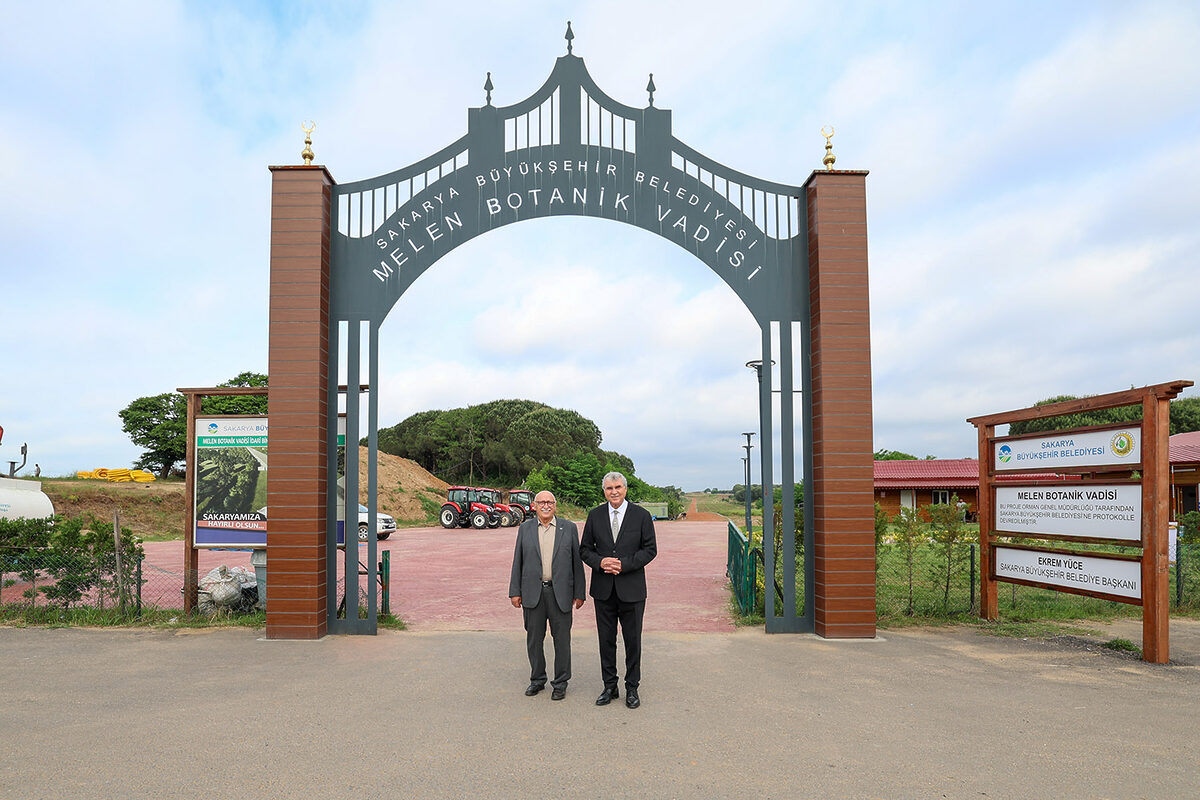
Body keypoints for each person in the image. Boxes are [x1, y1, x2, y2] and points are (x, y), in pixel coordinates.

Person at [580, 471, 657, 709]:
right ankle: (609, 686)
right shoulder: (594, 515)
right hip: (603, 590)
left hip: (632, 590)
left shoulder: (641, 516)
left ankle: (632, 688)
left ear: (625, 489)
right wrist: (600, 562)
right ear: (603, 491)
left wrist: (624, 564)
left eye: (618, 487)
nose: (614, 492)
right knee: (606, 640)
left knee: (633, 641)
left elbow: (650, 550)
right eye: (609, 488)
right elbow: (585, 550)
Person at [508, 490, 585, 701]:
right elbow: (518, 561)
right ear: (534, 505)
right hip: (533, 593)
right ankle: (537, 679)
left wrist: (580, 592)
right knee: (534, 640)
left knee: (562, 641)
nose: (546, 505)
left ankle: (560, 683)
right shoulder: (525, 529)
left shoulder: (568, 528)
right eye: (541, 502)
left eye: (550, 502)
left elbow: (576, 563)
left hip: (560, 593)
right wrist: (515, 591)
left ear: (555, 505)